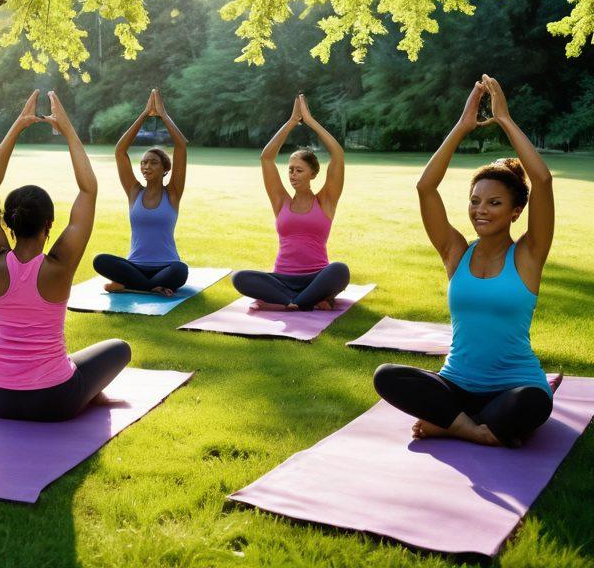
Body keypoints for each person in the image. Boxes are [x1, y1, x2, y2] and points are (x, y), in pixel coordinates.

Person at [374, 75, 555, 447]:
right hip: (455, 384)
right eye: (475, 201)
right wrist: (461, 126)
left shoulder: (528, 254)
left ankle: (450, 424)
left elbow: (543, 179)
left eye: (494, 203)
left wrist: (504, 118)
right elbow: (426, 187)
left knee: (534, 403)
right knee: (387, 375)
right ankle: (472, 428)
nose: (480, 211)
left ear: (516, 210)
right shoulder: (455, 252)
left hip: (513, 386)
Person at [0, 91, 131, 422]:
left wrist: (16, 127)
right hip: (55, 400)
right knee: (118, 349)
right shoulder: (59, 267)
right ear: (49, 224)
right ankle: (87, 391)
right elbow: (88, 190)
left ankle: (58, 377)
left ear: (8, 223)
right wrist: (68, 129)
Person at [231, 94, 350, 311]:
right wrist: (292, 121)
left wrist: (310, 121)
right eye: (290, 170)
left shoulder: (326, 200)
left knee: (340, 270)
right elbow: (266, 158)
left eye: (299, 170)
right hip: (282, 278)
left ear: (313, 174)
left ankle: (293, 300)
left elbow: (338, 156)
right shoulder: (281, 200)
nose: (293, 175)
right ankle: (300, 300)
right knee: (239, 277)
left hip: (316, 276)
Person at [93, 89, 189, 296]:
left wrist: (162, 115)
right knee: (99, 260)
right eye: (143, 163)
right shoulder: (134, 192)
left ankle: (132, 285)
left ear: (165, 169)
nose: (146, 166)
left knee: (181, 270)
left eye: (153, 162)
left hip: (167, 267)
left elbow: (181, 145)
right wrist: (144, 114)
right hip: (134, 265)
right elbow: (120, 151)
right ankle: (152, 287)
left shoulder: (172, 193)